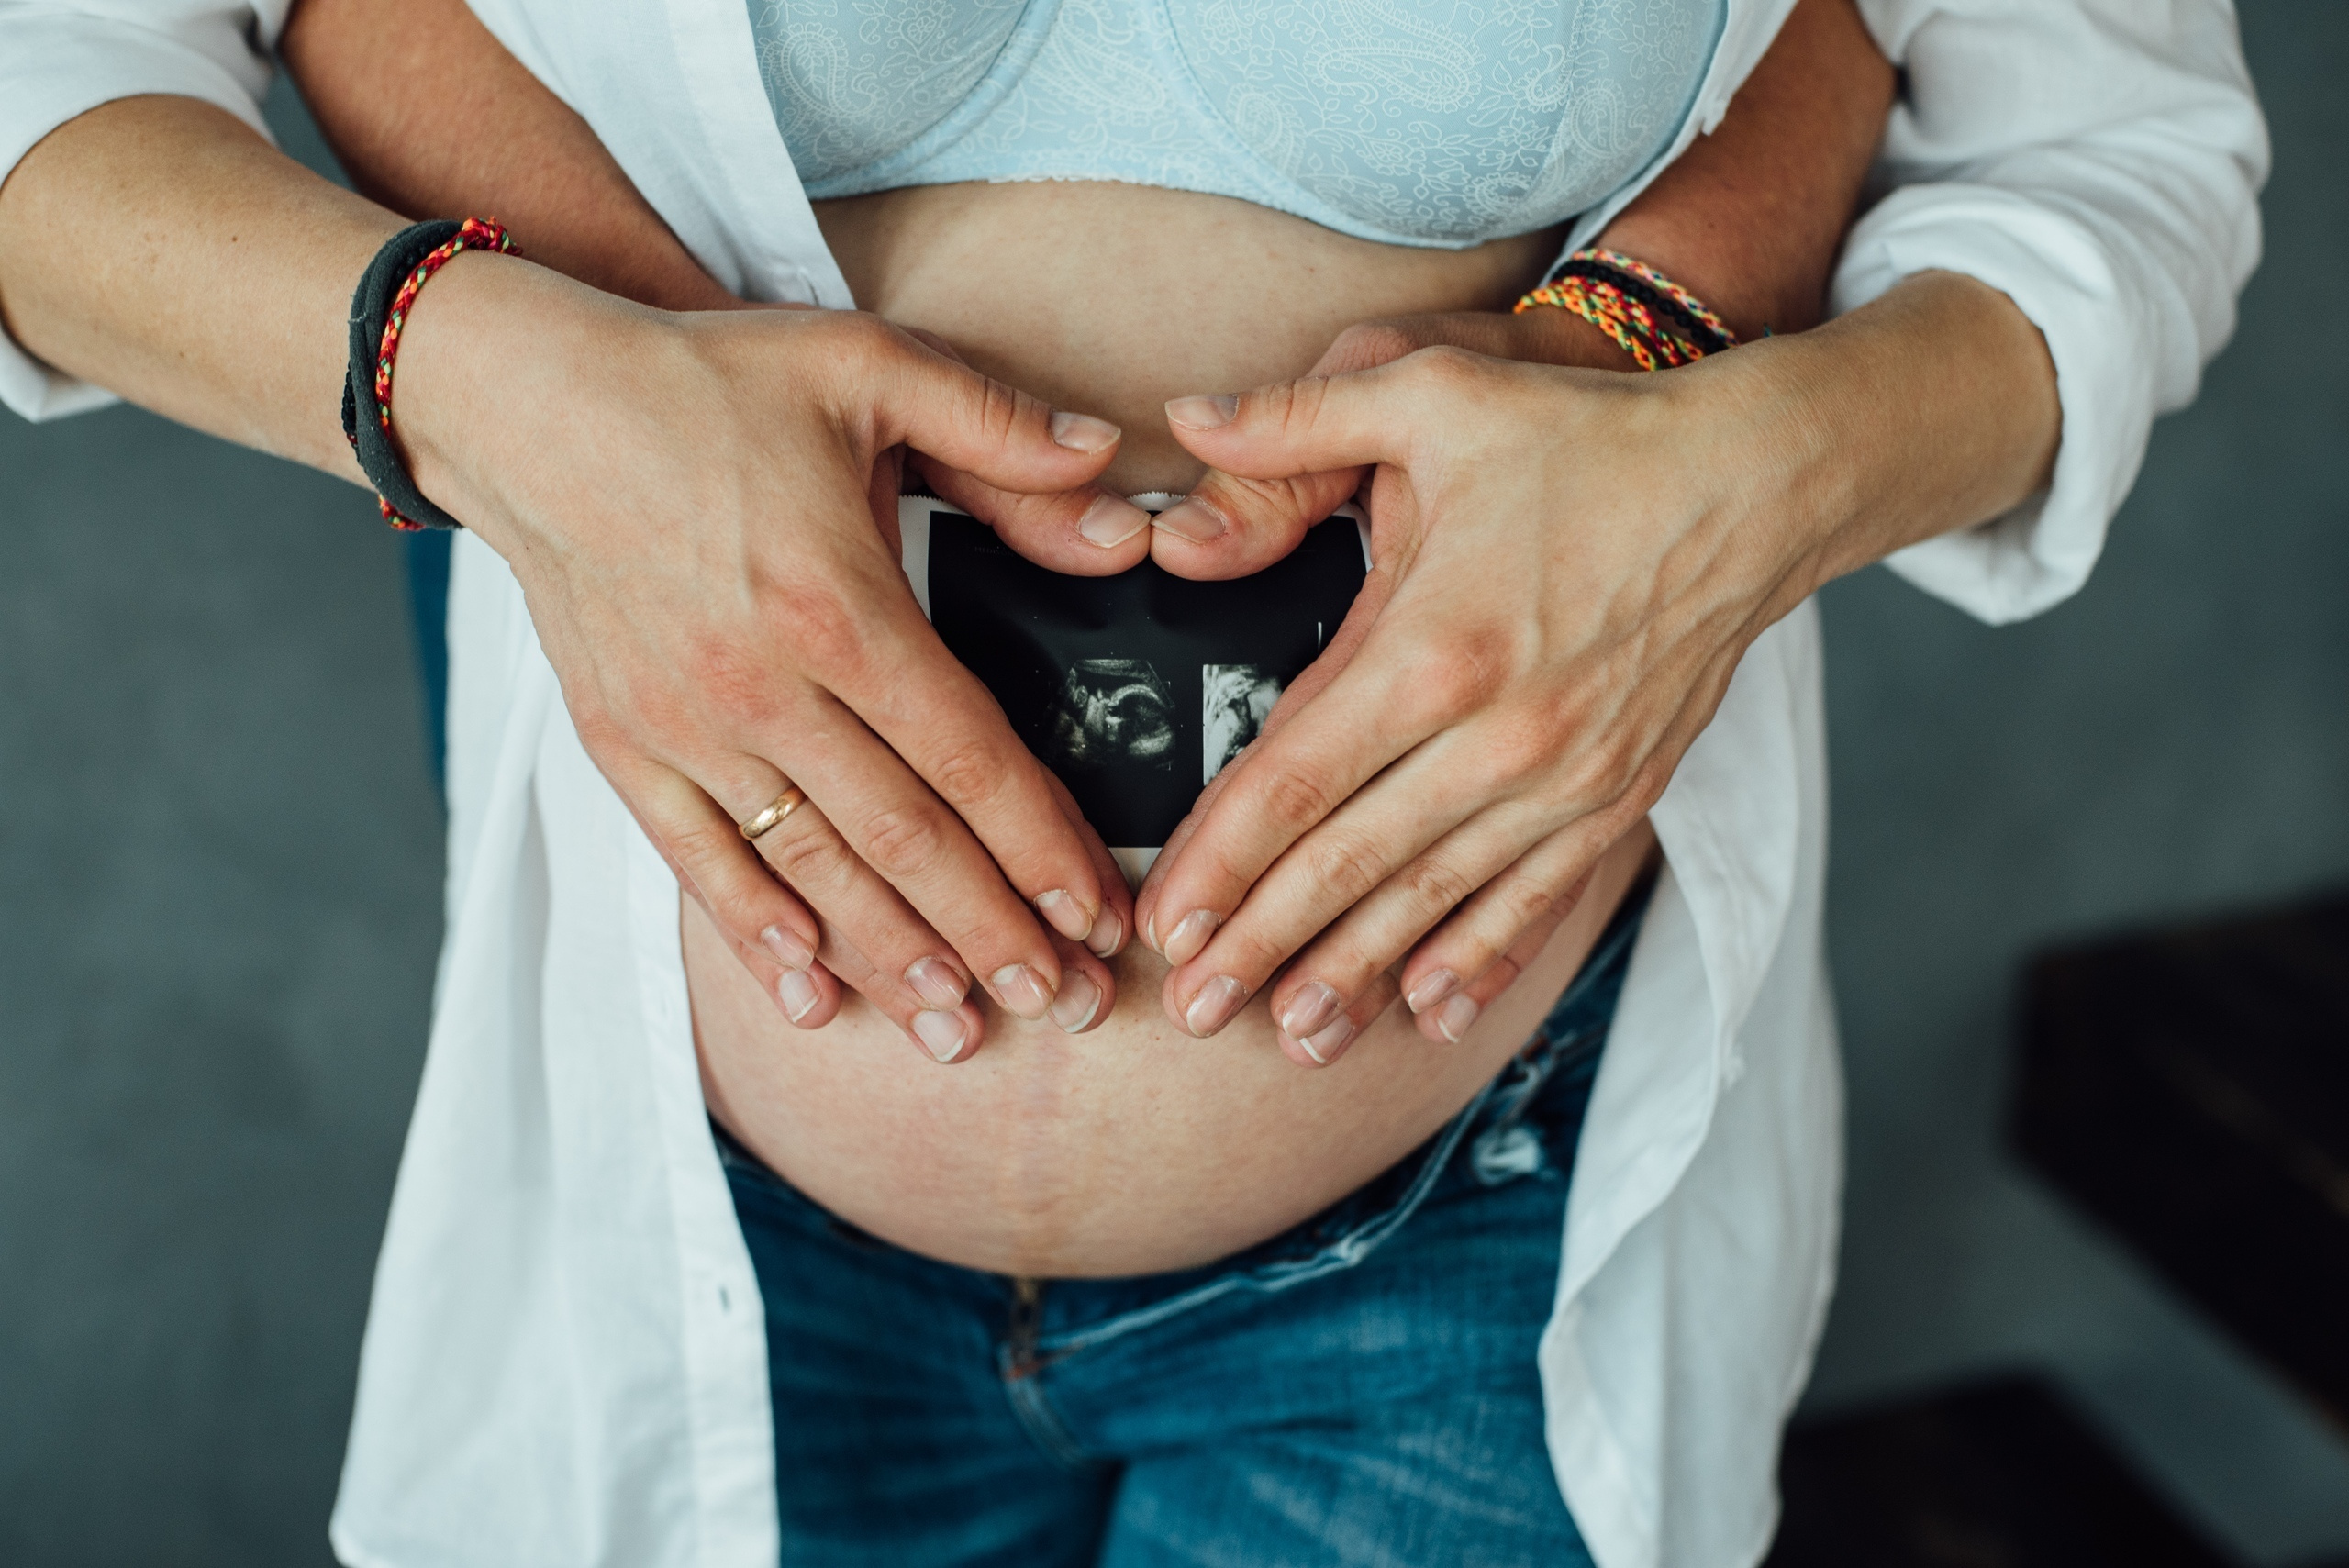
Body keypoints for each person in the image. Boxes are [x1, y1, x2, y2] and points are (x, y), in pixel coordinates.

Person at [0, 0, 2265, 1563]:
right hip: (682, 1210)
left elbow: (2110, 144)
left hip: (1484, 1213)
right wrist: (476, 372)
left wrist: (1730, 453)